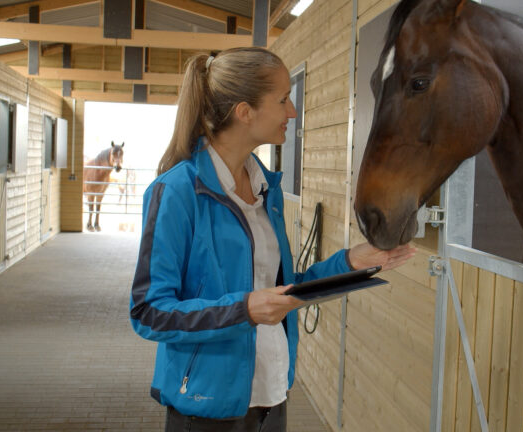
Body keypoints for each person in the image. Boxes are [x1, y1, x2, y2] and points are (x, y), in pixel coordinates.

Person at [129, 47, 415, 432]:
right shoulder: (177, 192)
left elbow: (280, 292)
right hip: (206, 408)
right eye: (283, 100)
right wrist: (242, 310)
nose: (292, 111)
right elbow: (149, 312)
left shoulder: (267, 189)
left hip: (272, 393)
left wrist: (351, 262)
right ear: (244, 112)